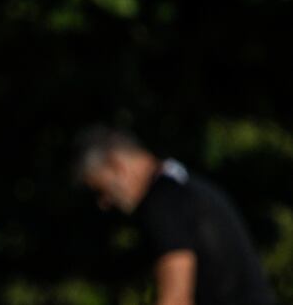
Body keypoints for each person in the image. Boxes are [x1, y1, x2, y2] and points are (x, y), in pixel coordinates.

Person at [73, 126, 276, 305]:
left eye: (102, 190)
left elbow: (177, 299)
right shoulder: (182, 186)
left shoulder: (162, 202)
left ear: (117, 165)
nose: (104, 203)